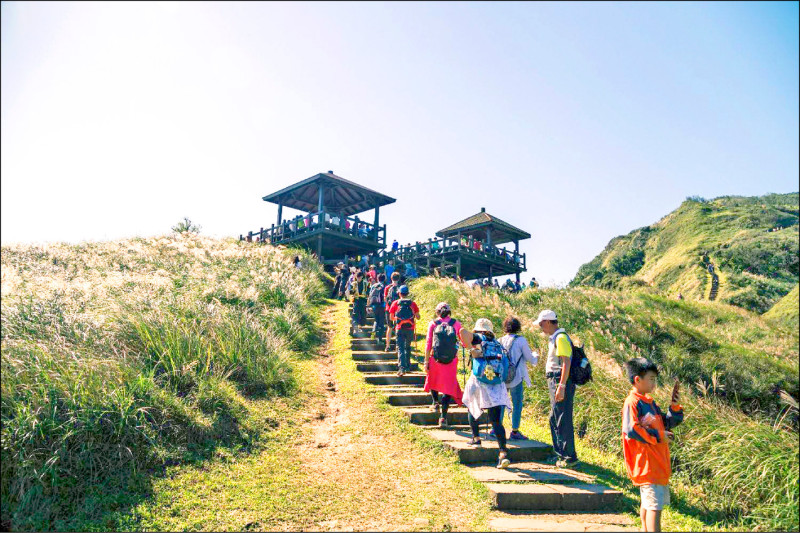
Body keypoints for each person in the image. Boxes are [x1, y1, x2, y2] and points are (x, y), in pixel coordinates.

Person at [622, 358, 684, 533]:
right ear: (637, 380)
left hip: (656, 462)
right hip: (647, 463)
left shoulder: (649, 402)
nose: (654, 383)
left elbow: (667, 423)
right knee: (655, 508)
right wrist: (658, 437)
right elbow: (632, 429)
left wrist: (675, 406)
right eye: (651, 379)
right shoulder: (632, 402)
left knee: (648, 504)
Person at [461, 318, 512, 469]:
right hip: (496, 384)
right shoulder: (497, 343)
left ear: (478, 329)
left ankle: (476, 437)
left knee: (472, 406)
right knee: (496, 421)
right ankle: (503, 452)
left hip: (480, 382)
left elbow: (461, 331)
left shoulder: (478, 338)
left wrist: (471, 349)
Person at [534, 309, 578, 468]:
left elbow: (566, 362)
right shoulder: (557, 337)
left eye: (540, 324)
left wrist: (562, 386)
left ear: (547, 322)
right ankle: (561, 454)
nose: (540, 327)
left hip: (559, 379)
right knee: (555, 417)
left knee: (562, 418)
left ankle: (569, 457)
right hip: (556, 380)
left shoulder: (560, 338)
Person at [424, 303, 473, 428]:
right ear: (449, 312)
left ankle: (435, 402)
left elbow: (429, 343)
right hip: (451, 361)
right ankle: (443, 418)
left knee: (433, 381)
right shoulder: (456, 324)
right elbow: (464, 342)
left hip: (435, 359)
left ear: (437, 312)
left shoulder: (433, 324)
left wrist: (426, 362)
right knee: (448, 387)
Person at [498, 317, 539, 440]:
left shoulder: (500, 340)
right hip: (516, 376)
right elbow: (530, 359)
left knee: (500, 403)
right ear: (518, 327)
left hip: (502, 377)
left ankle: (497, 429)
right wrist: (536, 355)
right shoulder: (521, 340)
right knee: (517, 404)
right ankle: (515, 431)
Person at [387, 285, 420, 376]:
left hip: (400, 328)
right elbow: (418, 317)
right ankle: (408, 367)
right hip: (410, 329)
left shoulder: (395, 303)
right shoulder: (412, 304)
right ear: (408, 293)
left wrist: (400, 319)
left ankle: (402, 368)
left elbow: (391, 317)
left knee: (400, 348)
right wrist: (410, 317)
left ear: (399, 293)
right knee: (408, 347)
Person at [383, 271, 402, 352]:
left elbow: (385, 299)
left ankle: (387, 346)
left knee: (389, 328)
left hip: (389, 309)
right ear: (399, 278)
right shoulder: (401, 288)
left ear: (391, 278)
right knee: (398, 327)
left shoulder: (387, 287)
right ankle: (398, 346)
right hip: (398, 309)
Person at [368, 273, 387, 341]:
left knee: (376, 320)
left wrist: (369, 305)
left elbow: (370, 296)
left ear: (377, 279)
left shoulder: (373, 286)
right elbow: (385, 298)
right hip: (381, 306)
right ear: (384, 279)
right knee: (381, 322)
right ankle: (380, 339)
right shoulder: (384, 287)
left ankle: (373, 331)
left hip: (374, 305)